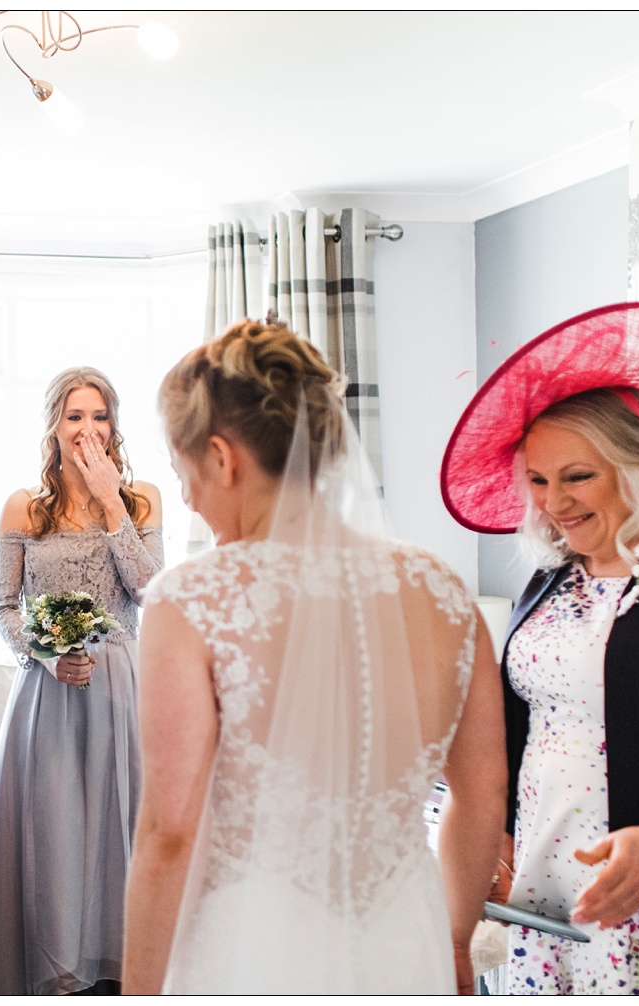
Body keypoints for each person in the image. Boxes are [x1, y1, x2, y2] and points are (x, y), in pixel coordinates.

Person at [122, 320, 507, 994]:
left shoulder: (190, 599)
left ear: (221, 457)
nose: (187, 495)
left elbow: (168, 832)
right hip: (404, 942)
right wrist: (453, 938)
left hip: (254, 948)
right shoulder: (444, 592)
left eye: (185, 474)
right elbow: (482, 794)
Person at [439, 302, 639, 994]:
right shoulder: (550, 581)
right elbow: (522, 727)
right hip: (546, 898)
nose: (552, 504)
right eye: (537, 481)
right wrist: (501, 840)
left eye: (576, 477)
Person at [0, 367, 163, 995]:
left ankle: (119, 970)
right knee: (55, 835)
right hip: (49, 687)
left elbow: (149, 590)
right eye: (74, 416)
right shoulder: (23, 508)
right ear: (54, 427)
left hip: (121, 687)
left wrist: (111, 500)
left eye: (100, 416)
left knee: (119, 830)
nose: (88, 430)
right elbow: (2, 605)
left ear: (115, 426)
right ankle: (56, 972)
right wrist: (46, 654)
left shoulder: (142, 500)